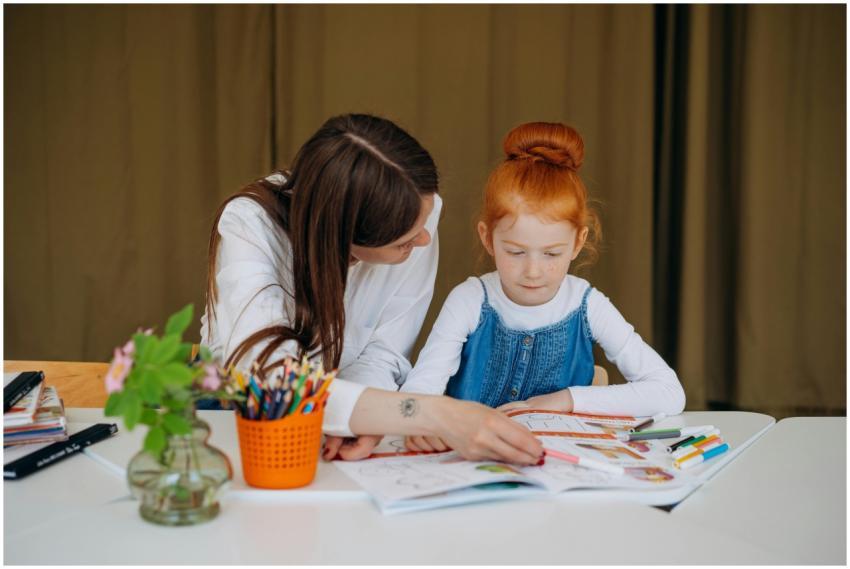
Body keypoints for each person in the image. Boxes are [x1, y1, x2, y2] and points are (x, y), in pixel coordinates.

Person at [201, 113, 543, 465]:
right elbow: (274, 382)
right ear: (343, 234)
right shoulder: (250, 224)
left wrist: (366, 417)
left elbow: (384, 351)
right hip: (237, 421)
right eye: (404, 242)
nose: (424, 239)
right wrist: (438, 414)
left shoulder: (416, 210)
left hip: (341, 428)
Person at [397, 121, 686, 452]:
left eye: (552, 253)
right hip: (471, 461)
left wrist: (565, 400)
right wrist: (421, 418)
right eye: (516, 252)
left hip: (558, 465)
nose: (533, 271)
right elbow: (421, 390)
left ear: (578, 243)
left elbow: (669, 392)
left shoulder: (588, 305)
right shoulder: (470, 300)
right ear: (487, 238)